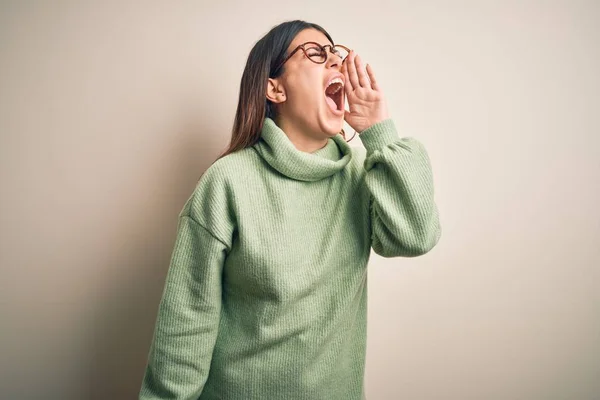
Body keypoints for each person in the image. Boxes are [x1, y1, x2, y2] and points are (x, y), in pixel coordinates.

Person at [139, 19, 441, 400]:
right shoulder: (227, 182)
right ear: (275, 88)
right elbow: (186, 324)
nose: (336, 63)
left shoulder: (362, 177)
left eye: (337, 55)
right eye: (316, 54)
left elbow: (416, 236)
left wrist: (379, 131)